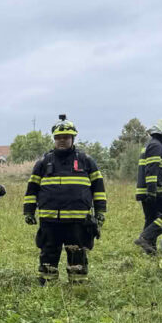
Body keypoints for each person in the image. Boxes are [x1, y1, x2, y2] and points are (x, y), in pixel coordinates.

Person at [23, 117, 106, 285]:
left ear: (72, 138)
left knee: (77, 255)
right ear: (54, 139)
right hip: (50, 221)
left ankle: (78, 287)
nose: (62, 141)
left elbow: (98, 189)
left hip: (78, 222)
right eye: (58, 138)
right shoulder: (43, 163)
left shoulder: (86, 161)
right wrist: (29, 211)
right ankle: (47, 286)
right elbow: (32, 189)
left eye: (66, 137)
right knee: (48, 254)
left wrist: (100, 212)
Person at [134, 119, 162, 254]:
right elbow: (152, 169)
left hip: (147, 191)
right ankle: (145, 237)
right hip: (155, 191)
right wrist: (152, 192)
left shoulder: (151, 144)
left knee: (151, 218)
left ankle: (149, 251)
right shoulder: (156, 145)